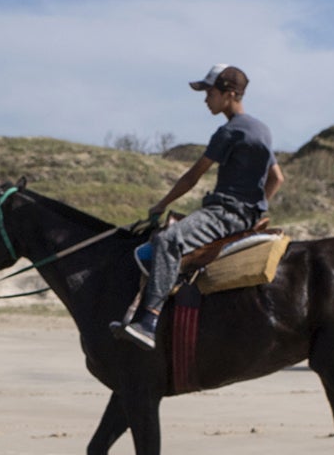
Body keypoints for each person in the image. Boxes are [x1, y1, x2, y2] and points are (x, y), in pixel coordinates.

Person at [114, 64, 284, 350]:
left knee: (169, 240)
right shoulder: (262, 130)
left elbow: (193, 176)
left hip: (224, 214)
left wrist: (161, 204)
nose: (206, 99)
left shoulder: (229, 131)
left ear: (229, 94)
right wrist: (257, 210)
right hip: (246, 215)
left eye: (210, 92)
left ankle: (149, 321)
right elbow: (277, 178)